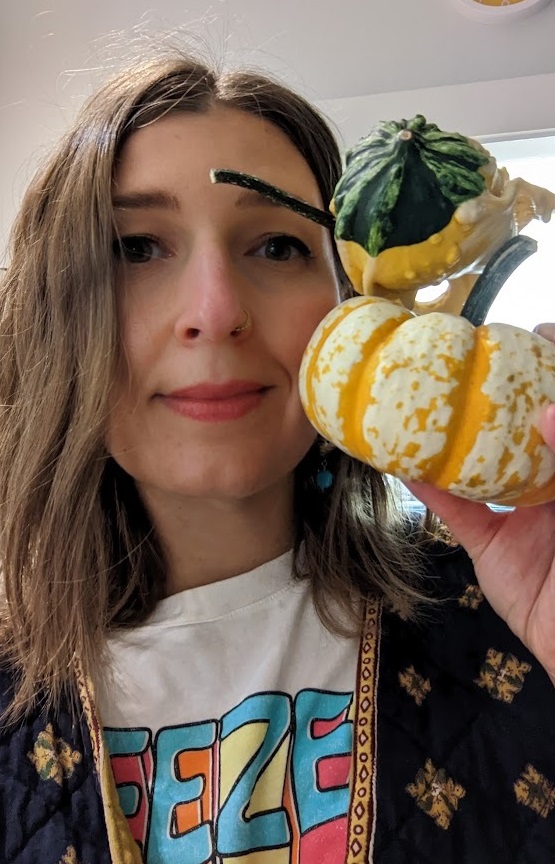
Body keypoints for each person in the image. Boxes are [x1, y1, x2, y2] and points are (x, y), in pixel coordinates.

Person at [1, 47, 555, 864]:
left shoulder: (513, 620)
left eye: (277, 248)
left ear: (357, 303)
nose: (215, 312)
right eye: (136, 249)